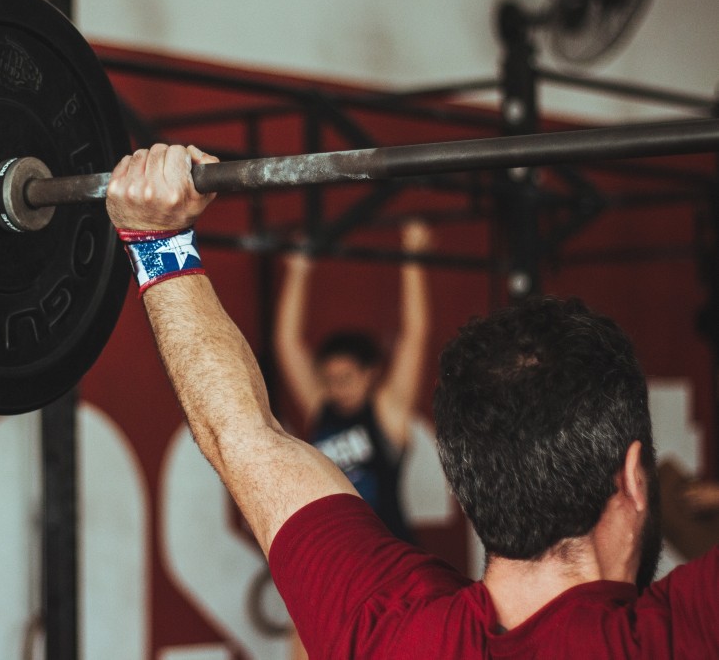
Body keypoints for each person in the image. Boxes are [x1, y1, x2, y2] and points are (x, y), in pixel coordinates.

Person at [105, 143, 718, 658]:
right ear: (635, 478)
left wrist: (154, 236)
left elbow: (238, 434)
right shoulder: (681, 635)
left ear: (467, 474)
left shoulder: (384, 631)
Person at [273, 221, 432, 546]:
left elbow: (414, 335)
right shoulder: (321, 406)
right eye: (329, 379)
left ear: (371, 373)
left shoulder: (388, 411)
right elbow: (287, 343)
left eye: (345, 378)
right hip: (342, 552)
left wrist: (412, 258)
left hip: (390, 553)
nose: (336, 387)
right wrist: (298, 270)